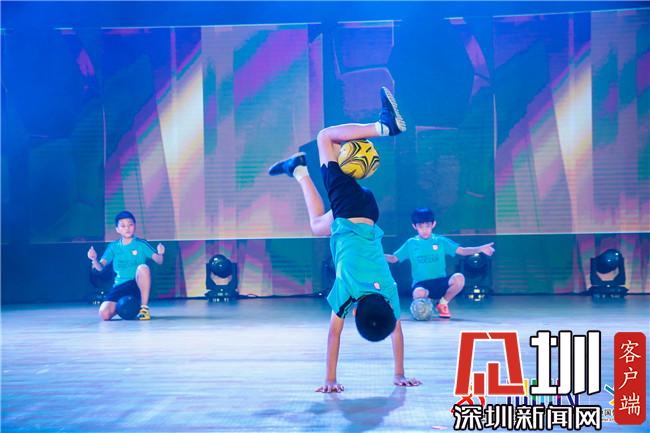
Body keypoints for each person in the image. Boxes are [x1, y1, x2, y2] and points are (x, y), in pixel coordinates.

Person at [268, 87, 421, 393]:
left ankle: (298, 170)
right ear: (355, 312)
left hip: (366, 213)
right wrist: (330, 379)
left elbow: (397, 332)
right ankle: (383, 127)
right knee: (326, 138)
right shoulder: (347, 293)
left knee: (317, 226)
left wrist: (400, 372)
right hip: (349, 210)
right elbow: (334, 335)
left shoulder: (389, 292)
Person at [385, 208, 495, 318]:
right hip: (421, 284)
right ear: (414, 226)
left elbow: (462, 251)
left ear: (433, 224)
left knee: (459, 278)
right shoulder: (411, 243)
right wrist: (378, 256)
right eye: (421, 227)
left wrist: (481, 248)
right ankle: (427, 303)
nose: (424, 230)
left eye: (427, 226)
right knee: (418, 294)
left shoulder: (440, 241)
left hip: (440, 283)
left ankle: (442, 304)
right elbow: (394, 258)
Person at [87, 211, 165, 321]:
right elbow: (100, 267)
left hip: (136, 284)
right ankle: (126, 308)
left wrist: (160, 253)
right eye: (123, 226)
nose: (127, 228)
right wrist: (94, 259)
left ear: (135, 226)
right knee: (104, 314)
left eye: (130, 225)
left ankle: (144, 308)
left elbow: (159, 261)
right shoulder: (113, 246)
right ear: (117, 229)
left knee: (143, 268)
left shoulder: (141, 244)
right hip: (120, 285)